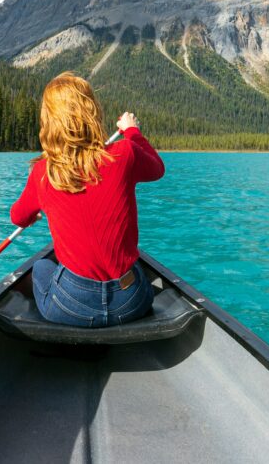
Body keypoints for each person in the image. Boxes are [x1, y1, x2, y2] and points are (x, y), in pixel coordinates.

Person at [10, 72, 165, 328]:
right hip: (131, 302)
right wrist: (132, 132)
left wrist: (33, 214)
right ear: (91, 112)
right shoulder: (124, 153)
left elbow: (18, 217)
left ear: (49, 120)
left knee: (40, 267)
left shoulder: (43, 173)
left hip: (71, 305)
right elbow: (157, 168)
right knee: (134, 270)